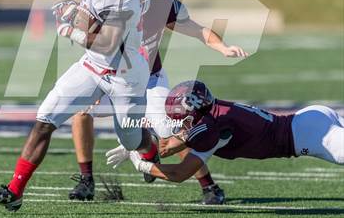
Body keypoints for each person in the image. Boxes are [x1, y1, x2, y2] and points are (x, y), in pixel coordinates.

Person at [0, 0, 157, 212]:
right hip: (92, 66)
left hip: (125, 75)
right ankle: (14, 191)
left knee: (131, 139)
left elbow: (108, 43)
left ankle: (150, 149)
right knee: (44, 120)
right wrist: (77, 13)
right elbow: (92, 23)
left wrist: (69, 29)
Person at [68, 0, 248, 204]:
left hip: (150, 78)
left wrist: (222, 47)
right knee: (81, 111)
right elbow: (87, 36)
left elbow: (196, 29)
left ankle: (208, 186)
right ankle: (86, 179)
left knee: (172, 127)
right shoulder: (102, 1)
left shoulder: (161, 3)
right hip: (108, 74)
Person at [107, 80, 344, 184]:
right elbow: (177, 139)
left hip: (312, 137)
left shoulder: (212, 129)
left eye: (182, 118)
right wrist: (138, 139)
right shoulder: (214, 112)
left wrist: (141, 162)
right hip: (311, 118)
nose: (180, 123)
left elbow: (179, 172)